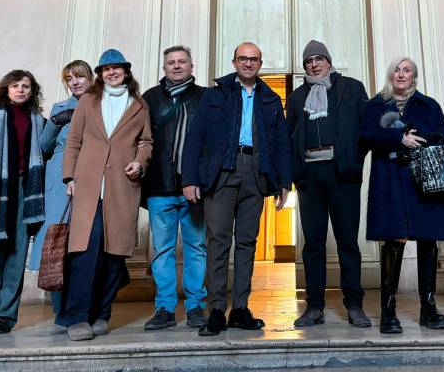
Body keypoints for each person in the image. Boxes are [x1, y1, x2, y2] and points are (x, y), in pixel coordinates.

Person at [182, 42, 292, 337]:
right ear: (234, 62)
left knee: (247, 242)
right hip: (221, 173)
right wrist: (189, 179)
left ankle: (240, 308)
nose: (248, 63)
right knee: (218, 240)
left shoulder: (269, 98)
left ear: (260, 62)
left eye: (253, 59)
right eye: (242, 59)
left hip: (255, 173)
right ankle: (217, 309)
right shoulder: (215, 95)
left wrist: (285, 183)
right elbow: (195, 138)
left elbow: (282, 143)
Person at [58, 49, 152, 341]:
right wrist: (70, 176)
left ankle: (102, 314)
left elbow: (146, 141)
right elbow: (73, 140)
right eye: (106, 69)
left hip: (122, 187)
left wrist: (140, 160)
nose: (111, 73)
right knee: (85, 253)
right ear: (100, 74)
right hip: (88, 186)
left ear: (125, 71)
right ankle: (77, 317)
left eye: (116, 68)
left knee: (114, 254)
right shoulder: (88, 100)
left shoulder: (139, 104)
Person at [361, 57, 444, 334]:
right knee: (394, 238)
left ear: (414, 76)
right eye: (396, 70)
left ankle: (429, 308)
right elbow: (365, 135)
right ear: (390, 75)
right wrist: (398, 138)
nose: (401, 74)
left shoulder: (429, 104)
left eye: (407, 70)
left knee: (428, 237)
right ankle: (387, 312)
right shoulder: (376, 104)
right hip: (390, 179)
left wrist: (424, 137)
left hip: (424, 179)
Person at [286, 40, 371, 328]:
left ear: (329, 61)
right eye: (309, 60)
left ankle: (355, 306)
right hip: (310, 178)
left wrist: (353, 160)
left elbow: (368, 128)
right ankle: (314, 307)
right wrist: (295, 173)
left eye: (319, 58)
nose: (314, 63)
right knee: (313, 245)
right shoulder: (297, 98)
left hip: (342, 175)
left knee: (348, 242)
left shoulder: (352, 88)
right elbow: (290, 138)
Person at [0, 70, 46, 334]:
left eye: (26, 86)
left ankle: (5, 316)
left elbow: (46, 157)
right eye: (16, 85)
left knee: (17, 254)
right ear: (6, 89)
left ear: (32, 91)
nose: (21, 90)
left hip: (27, 189)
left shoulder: (40, 122)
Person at [141, 46, 207, 330]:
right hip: (159, 186)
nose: (177, 66)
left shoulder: (206, 98)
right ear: (165, 67)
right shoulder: (149, 98)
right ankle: (165, 309)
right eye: (171, 62)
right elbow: (141, 140)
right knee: (162, 251)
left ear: (192, 66)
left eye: (182, 62)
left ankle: (196, 307)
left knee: (196, 248)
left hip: (195, 188)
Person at [30, 60, 93, 330]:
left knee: (87, 244)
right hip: (58, 178)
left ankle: (83, 308)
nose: (75, 82)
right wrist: (56, 122)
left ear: (90, 77)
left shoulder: (102, 104)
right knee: (56, 243)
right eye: (69, 79)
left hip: (90, 176)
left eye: (79, 76)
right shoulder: (59, 108)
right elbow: (43, 146)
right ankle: (60, 310)